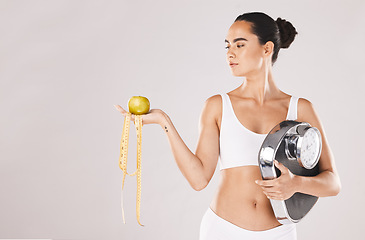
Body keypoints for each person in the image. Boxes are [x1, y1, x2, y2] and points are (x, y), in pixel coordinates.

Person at [114, 11, 341, 240]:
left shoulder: (300, 109)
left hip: (279, 233)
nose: (230, 53)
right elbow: (199, 179)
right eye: (227, 46)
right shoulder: (217, 106)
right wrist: (164, 121)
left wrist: (295, 184)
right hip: (222, 230)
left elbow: (332, 182)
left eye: (240, 45)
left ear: (267, 49)